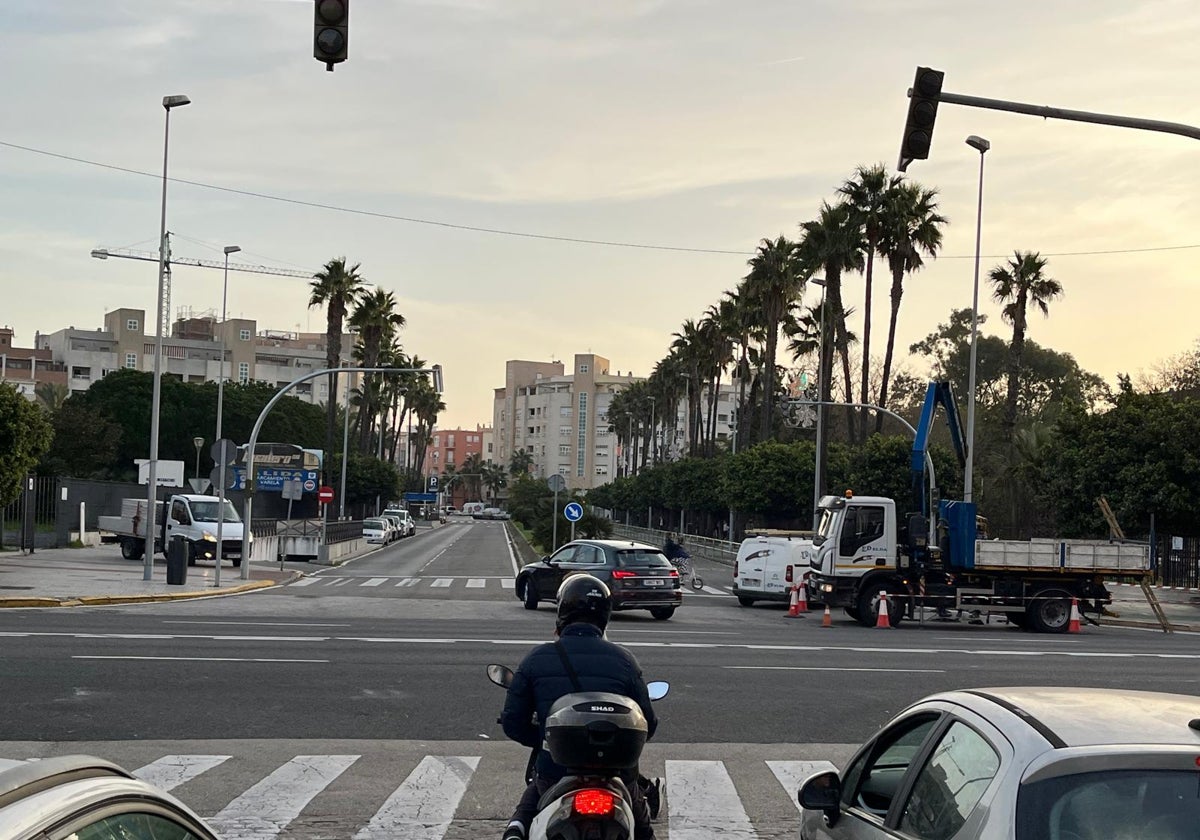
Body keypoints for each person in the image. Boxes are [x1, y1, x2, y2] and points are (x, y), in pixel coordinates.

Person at [500, 575, 658, 840]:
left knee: (529, 805)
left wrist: (545, 739)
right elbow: (648, 724)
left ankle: (515, 830)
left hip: (555, 771)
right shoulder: (624, 660)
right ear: (605, 616)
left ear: (562, 612)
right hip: (616, 773)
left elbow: (513, 722)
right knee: (643, 828)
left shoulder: (537, 659)